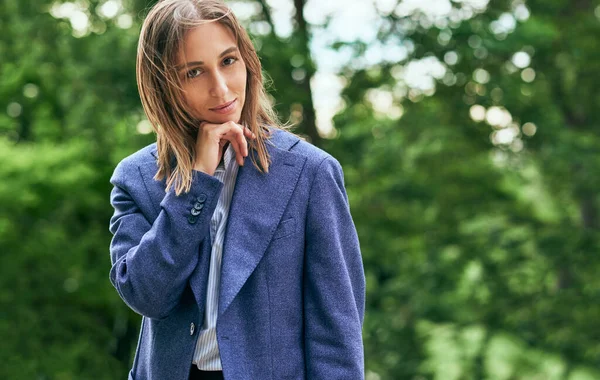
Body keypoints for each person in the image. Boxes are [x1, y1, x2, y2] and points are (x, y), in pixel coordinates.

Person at [108, 0, 365, 379]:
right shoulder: (137, 177)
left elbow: (337, 332)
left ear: (247, 61)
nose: (221, 87)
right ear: (163, 86)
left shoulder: (310, 174)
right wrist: (195, 184)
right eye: (194, 72)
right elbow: (148, 296)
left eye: (228, 61)